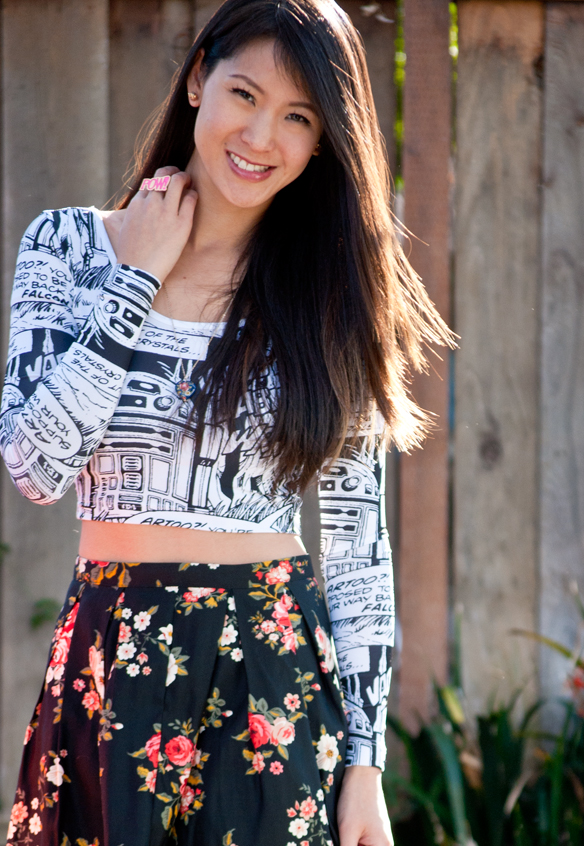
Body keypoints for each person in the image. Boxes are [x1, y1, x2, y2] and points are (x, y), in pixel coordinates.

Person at [0, 0, 452, 844]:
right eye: (245, 94)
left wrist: (365, 769)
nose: (261, 137)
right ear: (200, 75)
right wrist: (133, 283)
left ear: (323, 143)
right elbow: (35, 466)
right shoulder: (68, 248)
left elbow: (358, 547)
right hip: (109, 661)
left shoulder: (329, 300)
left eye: (298, 118)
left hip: (269, 678)